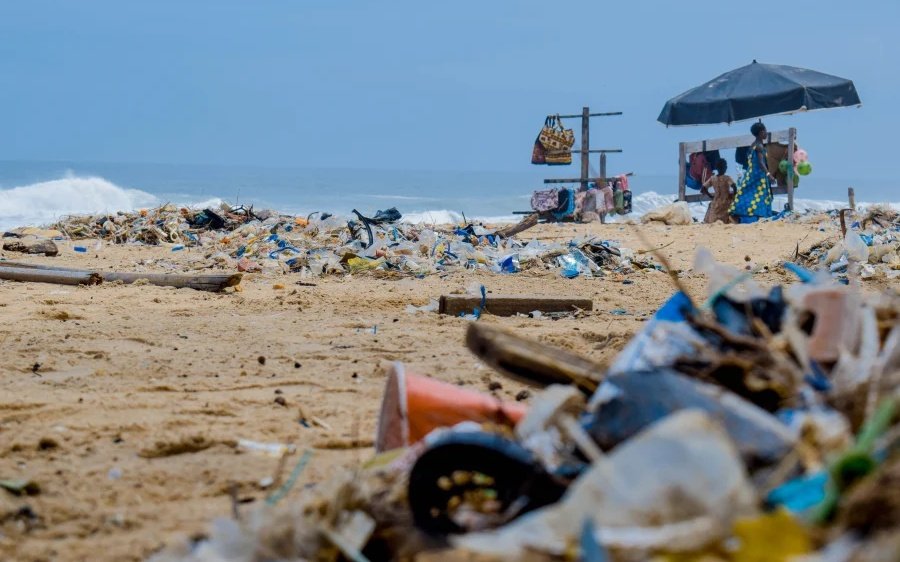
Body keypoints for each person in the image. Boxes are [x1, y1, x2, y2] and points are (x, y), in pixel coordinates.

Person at [729, 121, 775, 223]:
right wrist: (768, 174)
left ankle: (739, 215)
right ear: (761, 132)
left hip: (750, 175)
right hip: (758, 176)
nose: (766, 133)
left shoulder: (752, 145)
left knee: (748, 195)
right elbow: (760, 162)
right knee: (760, 197)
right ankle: (757, 217)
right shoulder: (759, 146)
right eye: (765, 131)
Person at [702, 158, 736, 224]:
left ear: (717, 168)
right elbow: (734, 186)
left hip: (716, 202)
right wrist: (733, 196)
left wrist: (710, 196)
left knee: (712, 217)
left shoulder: (713, 178)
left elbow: (703, 188)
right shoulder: (727, 178)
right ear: (725, 167)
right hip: (726, 202)